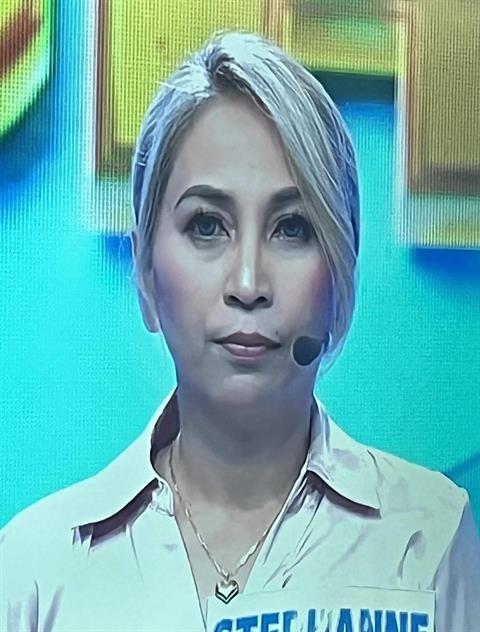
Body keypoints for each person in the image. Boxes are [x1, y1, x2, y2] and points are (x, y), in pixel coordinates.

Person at [1, 29, 479, 632]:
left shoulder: (429, 536)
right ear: (145, 273)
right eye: (207, 225)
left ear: (340, 273)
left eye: (292, 228)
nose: (249, 283)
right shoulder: (36, 569)